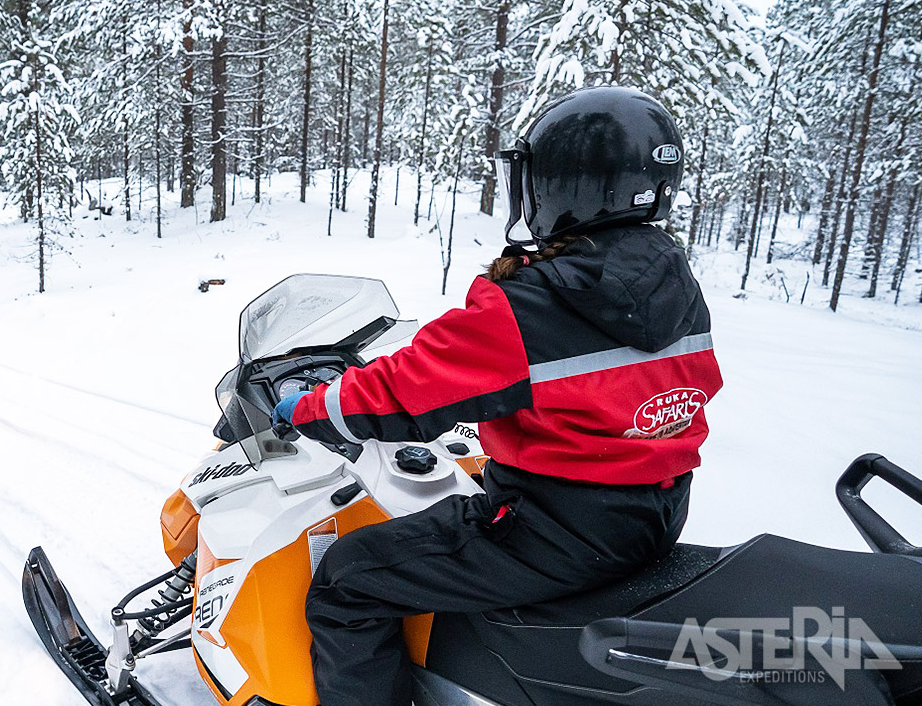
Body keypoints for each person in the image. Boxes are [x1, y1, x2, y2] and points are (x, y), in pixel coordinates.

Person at [272, 86, 723, 706]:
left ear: (564, 187)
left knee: (349, 580)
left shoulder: (533, 302)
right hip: (656, 515)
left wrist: (309, 406)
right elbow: (635, 394)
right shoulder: (671, 282)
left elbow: (403, 391)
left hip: (560, 530)